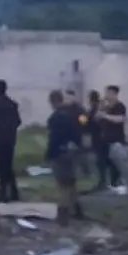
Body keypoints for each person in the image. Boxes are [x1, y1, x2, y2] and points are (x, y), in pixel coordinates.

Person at [46, 89, 85, 222]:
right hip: (71, 152)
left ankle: (63, 213)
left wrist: (49, 154)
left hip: (58, 153)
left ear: (52, 102)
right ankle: (77, 209)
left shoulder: (54, 118)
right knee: (71, 182)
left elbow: (54, 139)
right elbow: (79, 132)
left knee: (63, 184)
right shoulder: (72, 114)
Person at [0, 79, 22, 202]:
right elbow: (18, 121)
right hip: (10, 138)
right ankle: (14, 192)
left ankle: (3, 194)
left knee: (1, 167)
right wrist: (10, 129)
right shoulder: (12, 104)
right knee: (8, 165)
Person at [93, 85, 127, 189]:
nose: (107, 95)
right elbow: (96, 119)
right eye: (106, 93)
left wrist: (105, 116)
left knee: (115, 164)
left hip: (115, 140)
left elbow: (120, 119)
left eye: (109, 93)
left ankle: (115, 183)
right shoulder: (105, 107)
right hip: (104, 141)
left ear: (115, 94)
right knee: (101, 162)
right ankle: (102, 182)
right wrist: (99, 111)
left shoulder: (120, 106)